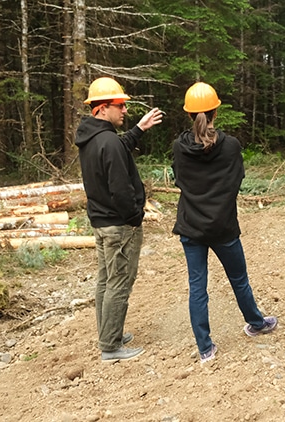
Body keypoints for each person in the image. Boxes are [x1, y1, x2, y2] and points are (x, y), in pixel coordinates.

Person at [172, 82, 277, 363]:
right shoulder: (230, 146)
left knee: (197, 286)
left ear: (188, 114)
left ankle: (205, 348)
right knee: (239, 279)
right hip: (223, 226)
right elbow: (236, 182)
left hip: (191, 226)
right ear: (216, 112)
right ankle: (256, 323)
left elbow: (180, 180)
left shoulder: (179, 147)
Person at [75, 76, 164, 363]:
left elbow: (116, 147)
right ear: (101, 109)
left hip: (101, 223)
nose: (125, 110)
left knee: (105, 280)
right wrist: (136, 216)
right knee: (119, 283)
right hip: (119, 226)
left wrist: (139, 130)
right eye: (119, 105)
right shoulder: (108, 141)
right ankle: (111, 347)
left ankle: (108, 333)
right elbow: (120, 189)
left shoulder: (92, 138)